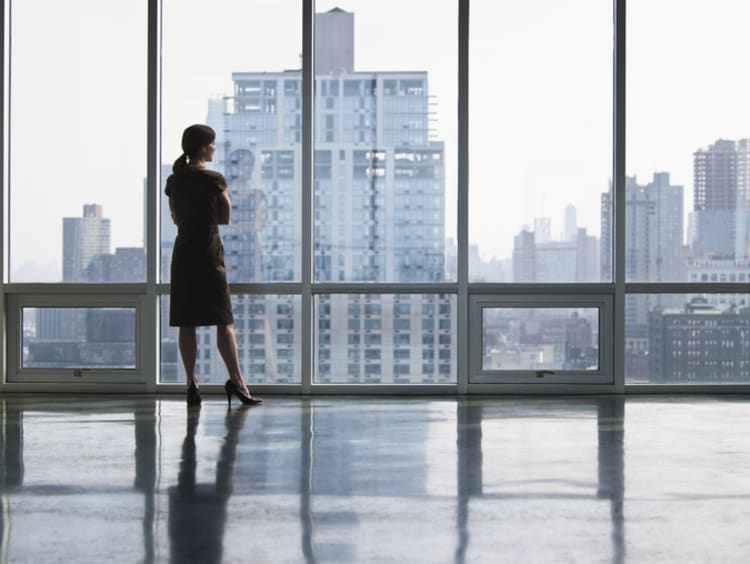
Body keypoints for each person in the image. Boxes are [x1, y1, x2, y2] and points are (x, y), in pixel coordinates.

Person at [165, 124, 262, 407]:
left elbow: (174, 217)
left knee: (186, 322)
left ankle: (191, 383)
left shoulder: (174, 181)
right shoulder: (214, 179)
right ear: (203, 147)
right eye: (212, 144)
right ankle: (238, 382)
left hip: (183, 252)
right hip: (208, 251)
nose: (215, 148)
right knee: (224, 321)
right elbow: (226, 215)